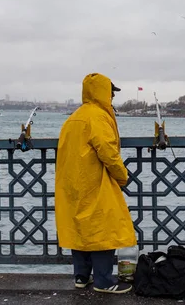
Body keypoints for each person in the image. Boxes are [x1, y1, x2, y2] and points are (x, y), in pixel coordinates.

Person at [55, 73, 136, 294]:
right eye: (110, 92)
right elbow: (109, 153)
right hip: (94, 181)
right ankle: (103, 281)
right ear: (102, 92)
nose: (112, 97)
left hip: (72, 183)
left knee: (80, 229)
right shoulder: (97, 117)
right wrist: (122, 176)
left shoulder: (74, 118)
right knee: (103, 230)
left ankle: (81, 277)